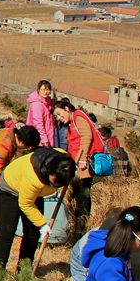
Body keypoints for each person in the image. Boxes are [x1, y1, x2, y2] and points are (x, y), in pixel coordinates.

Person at [0, 147, 75, 272]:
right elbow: (26, 204)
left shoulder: (64, 163)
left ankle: (23, 273)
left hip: (36, 194)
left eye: (60, 184)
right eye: (54, 182)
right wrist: (42, 223)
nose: (55, 186)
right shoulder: (34, 178)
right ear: (49, 171)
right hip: (11, 189)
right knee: (7, 231)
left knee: (33, 233)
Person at [54, 99, 101, 232]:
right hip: (77, 163)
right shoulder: (71, 123)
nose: (59, 118)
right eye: (56, 116)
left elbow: (87, 137)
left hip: (83, 165)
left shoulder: (78, 117)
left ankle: (81, 227)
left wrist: (83, 158)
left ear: (67, 109)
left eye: (59, 114)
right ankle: (75, 225)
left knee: (83, 196)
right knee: (75, 195)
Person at [26, 80, 56, 148]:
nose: (45, 92)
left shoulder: (46, 102)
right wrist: (44, 140)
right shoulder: (37, 105)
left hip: (47, 137)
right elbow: (38, 124)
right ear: (38, 90)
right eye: (43, 90)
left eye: (47, 90)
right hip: (39, 141)